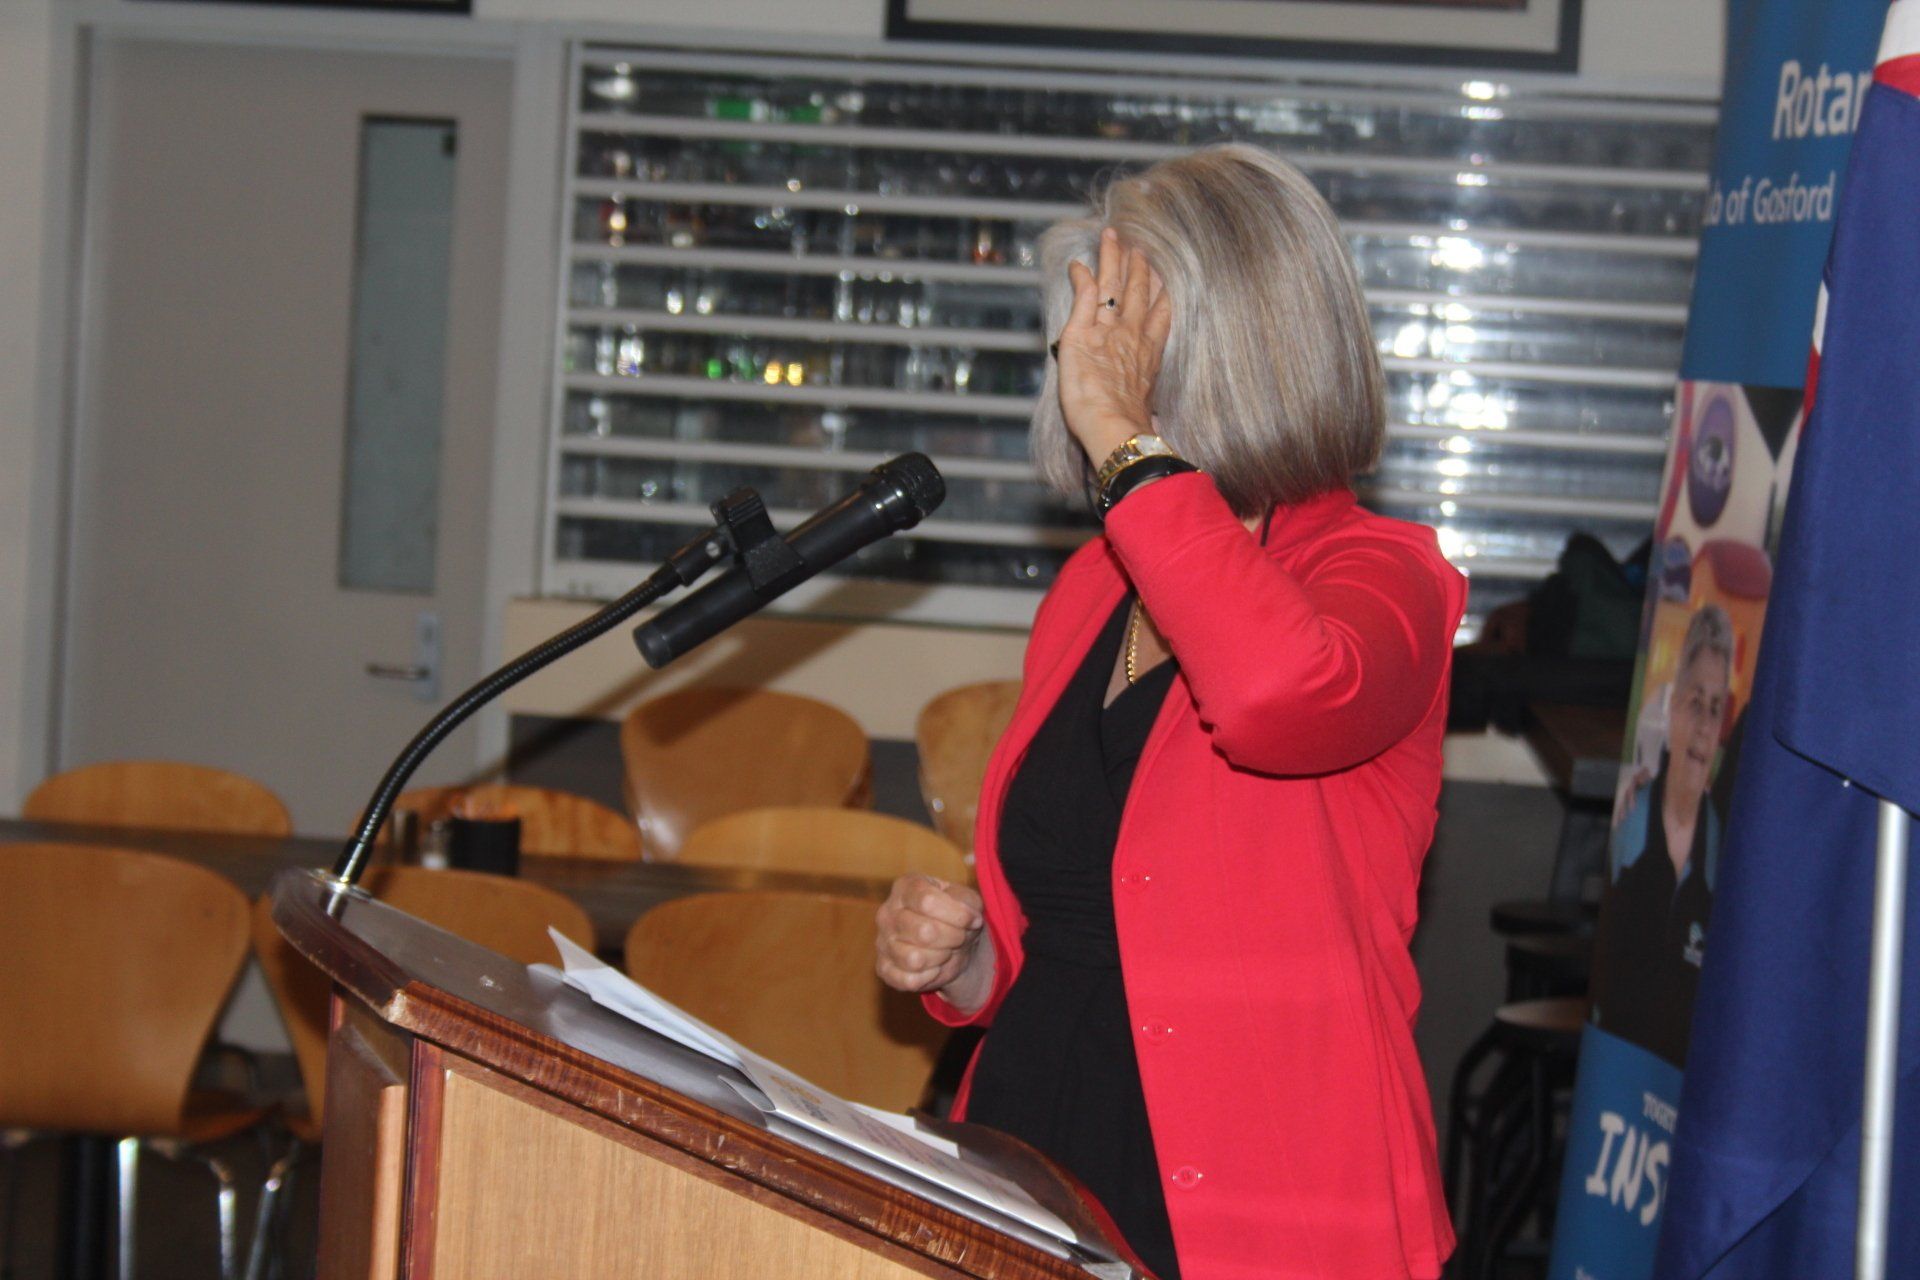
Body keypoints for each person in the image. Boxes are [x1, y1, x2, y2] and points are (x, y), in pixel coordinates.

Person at [873, 143, 1466, 1280]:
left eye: (1122, 326)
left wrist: (1123, 433)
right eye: (1086, 333)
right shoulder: (1094, 586)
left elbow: (1274, 696)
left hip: (1264, 1216)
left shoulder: (1388, 577)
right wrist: (963, 961)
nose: (1084, 361)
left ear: (1240, 341)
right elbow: (1072, 935)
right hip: (1027, 1171)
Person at [1590, 603, 1735, 1067]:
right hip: (1613, 1077)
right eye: (1695, 703)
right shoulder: (1630, 818)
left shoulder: (1722, 849)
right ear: (1672, 710)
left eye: (1716, 709)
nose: (1704, 727)